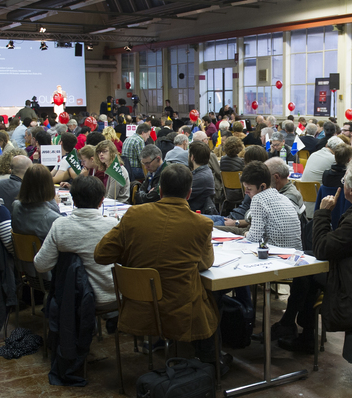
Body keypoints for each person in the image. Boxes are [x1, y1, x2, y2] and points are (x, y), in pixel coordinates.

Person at [94, 164, 225, 372]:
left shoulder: (133, 215)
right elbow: (205, 263)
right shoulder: (201, 224)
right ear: (189, 193)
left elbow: (101, 254)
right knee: (214, 298)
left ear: (160, 190)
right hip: (180, 312)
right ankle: (211, 359)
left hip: (138, 305)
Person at [273, 159, 352, 353]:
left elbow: (323, 249)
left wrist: (323, 213)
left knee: (305, 269)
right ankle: (293, 325)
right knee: (307, 262)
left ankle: (301, 332)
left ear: (351, 189)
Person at [34, 174, 116, 300]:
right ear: (101, 201)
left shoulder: (60, 225)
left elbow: (41, 265)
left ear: (73, 200)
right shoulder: (114, 226)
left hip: (73, 297)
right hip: (111, 295)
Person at [239, 161, 302, 249]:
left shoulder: (258, 199)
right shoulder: (283, 198)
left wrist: (246, 234)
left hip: (276, 254)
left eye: (249, 189)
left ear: (263, 186)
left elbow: (254, 238)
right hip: (295, 254)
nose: (246, 192)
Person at [10, 164, 62, 244]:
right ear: (49, 186)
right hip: (44, 254)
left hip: (21, 254)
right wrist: (52, 199)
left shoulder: (15, 206)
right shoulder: (51, 217)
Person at [188, 141, 217, 214]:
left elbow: (179, 196)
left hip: (195, 214)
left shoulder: (201, 177)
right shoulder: (204, 172)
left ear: (192, 157)